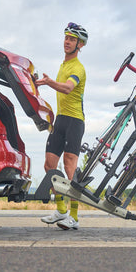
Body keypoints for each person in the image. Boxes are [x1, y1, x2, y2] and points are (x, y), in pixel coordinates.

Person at [36, 22, 88, 230]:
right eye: (66, 37)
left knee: (69, 167)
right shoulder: (63, 65)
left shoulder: (78, 68)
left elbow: (67, 88)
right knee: (49, 165)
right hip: (60, 120)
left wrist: (49, 83)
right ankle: (61, 211)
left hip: (75, 121)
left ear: (80, 45)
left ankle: (74, 217)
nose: (67, 41)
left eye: (72, 39)